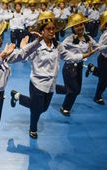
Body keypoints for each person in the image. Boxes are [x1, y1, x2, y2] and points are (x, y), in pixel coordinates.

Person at [10, 11, 95, 139]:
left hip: (51, 85)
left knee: (43, 108)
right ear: (42, 31)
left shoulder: (58, 46)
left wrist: (85, 55)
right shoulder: (36, 46)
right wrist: (24, 46)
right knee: (37, 110)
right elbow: (22, 57)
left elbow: (69, 56)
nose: (51, 31)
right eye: (48, 29)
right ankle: (33, 128)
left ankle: (17, 96)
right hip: (37, 84)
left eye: (53, 29)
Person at [0, 21, 42, 170]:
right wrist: (3, 55)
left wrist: (38, 42)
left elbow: (22, 54)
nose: (0, 40)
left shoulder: (1, 55)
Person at [59, 12, 101, 116]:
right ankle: (65, 107)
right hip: (69, 67)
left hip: (79, 67)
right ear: (73, 28)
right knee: (74, 90)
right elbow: (60, 50)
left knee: (77, 91)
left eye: (81, 24)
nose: (80, 27)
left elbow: (98, 47)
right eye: (77, 26)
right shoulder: (69, 39)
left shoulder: (88, 38)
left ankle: (56, 88)